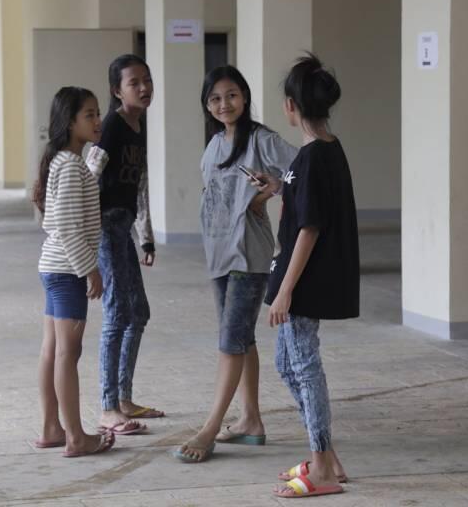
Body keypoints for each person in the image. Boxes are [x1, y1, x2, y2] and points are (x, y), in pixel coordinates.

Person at [175, 66, 297, 463]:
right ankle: (250, 421)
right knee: (241, 338)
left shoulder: (262, 139)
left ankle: (209, 429)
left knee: (230, 341)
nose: (224, 104)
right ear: (207, 106)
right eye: (215, 98)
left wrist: (271, 191)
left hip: (249, 253)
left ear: (244, 97)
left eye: (231, 95)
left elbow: (300, 172)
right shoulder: (213, 146)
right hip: (218, 254)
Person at [262, 54, 360, 499]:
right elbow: (308, 203)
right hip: (302, 279)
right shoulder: (323, 152)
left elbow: (310, 227)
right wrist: (280, 187)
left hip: (304, 282)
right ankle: (328, 457)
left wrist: (285, 292)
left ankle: (320, 465)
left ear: (290, 106)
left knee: (304, 366)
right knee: (287, 364)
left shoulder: (314, 157)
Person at [33, 86, 115, 459]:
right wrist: (90, 270)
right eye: (89, 115)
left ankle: (53, 428)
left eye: (98, 113)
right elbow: (65, 225)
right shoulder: (69, 165)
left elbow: (69, 206)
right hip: (67, 270)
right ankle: (77, 437)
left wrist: (92, 168)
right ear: (69, 122)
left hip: (54, 267)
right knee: (68, 352)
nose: (98, 121)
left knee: (53, 350)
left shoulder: (68, 163)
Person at [85, 54, 160, 436]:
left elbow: (140, 183)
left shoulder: (138, 125)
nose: (144, 87)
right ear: (117, 90)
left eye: (147, 80)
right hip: (104, 227)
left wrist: (145, 235)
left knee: (139, 313)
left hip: (124, 227)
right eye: (135, 83)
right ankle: (107, 407)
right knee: (117, 315)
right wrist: (86, 241)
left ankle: (125, 398)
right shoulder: (112, 126)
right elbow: (89, 174)